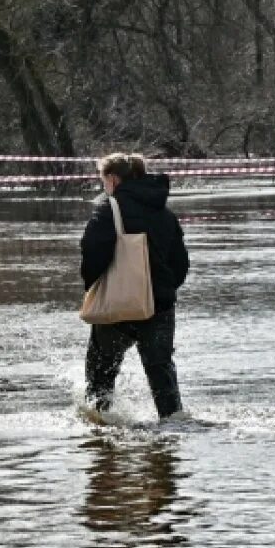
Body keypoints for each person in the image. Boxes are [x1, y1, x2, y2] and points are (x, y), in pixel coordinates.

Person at [80, 153, 189, 419]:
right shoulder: (165, 213)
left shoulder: (109, 210)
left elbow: (92, 252)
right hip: (158, 306)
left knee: (100, 370)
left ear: (113, 179)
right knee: (161, 371)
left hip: (118, 305)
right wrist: (162, 291)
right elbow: (181, 263)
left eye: (103, 179)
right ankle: (173, 431)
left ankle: (99, 432)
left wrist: (92, 287)